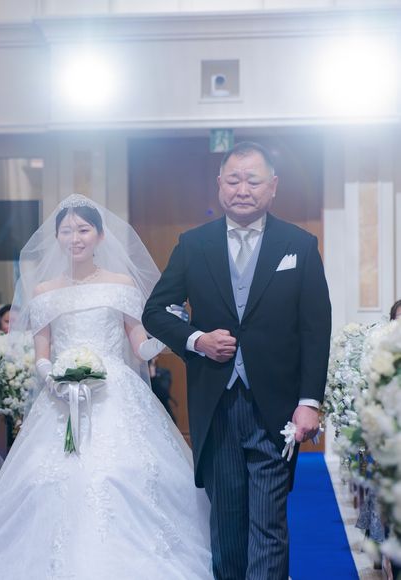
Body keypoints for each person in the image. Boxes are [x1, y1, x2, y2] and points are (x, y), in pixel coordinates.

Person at [0, 194, 212, 579]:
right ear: (57, 237)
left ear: (100, 235)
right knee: (45, 478)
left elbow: (140, 348)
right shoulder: (44, 291)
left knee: (120, 471)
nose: (75, 238)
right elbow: (42, 353)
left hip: (115, 393)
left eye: (83, 230)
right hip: (61, 396)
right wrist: (54, 379)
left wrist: (166, 334)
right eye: (67, 231)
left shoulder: (121, 284)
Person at [143, 141, 332, 580]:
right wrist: (197, 340)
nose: (242, 189)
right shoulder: (193, 244)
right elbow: (155, 312)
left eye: (253, 180)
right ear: (219, 185)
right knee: (226, 526)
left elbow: (315, 329)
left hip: (277, 408)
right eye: (233, 180)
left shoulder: (299, 245)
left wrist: (310, 401)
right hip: (216, 405)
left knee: (269, 525)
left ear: (273, 186)